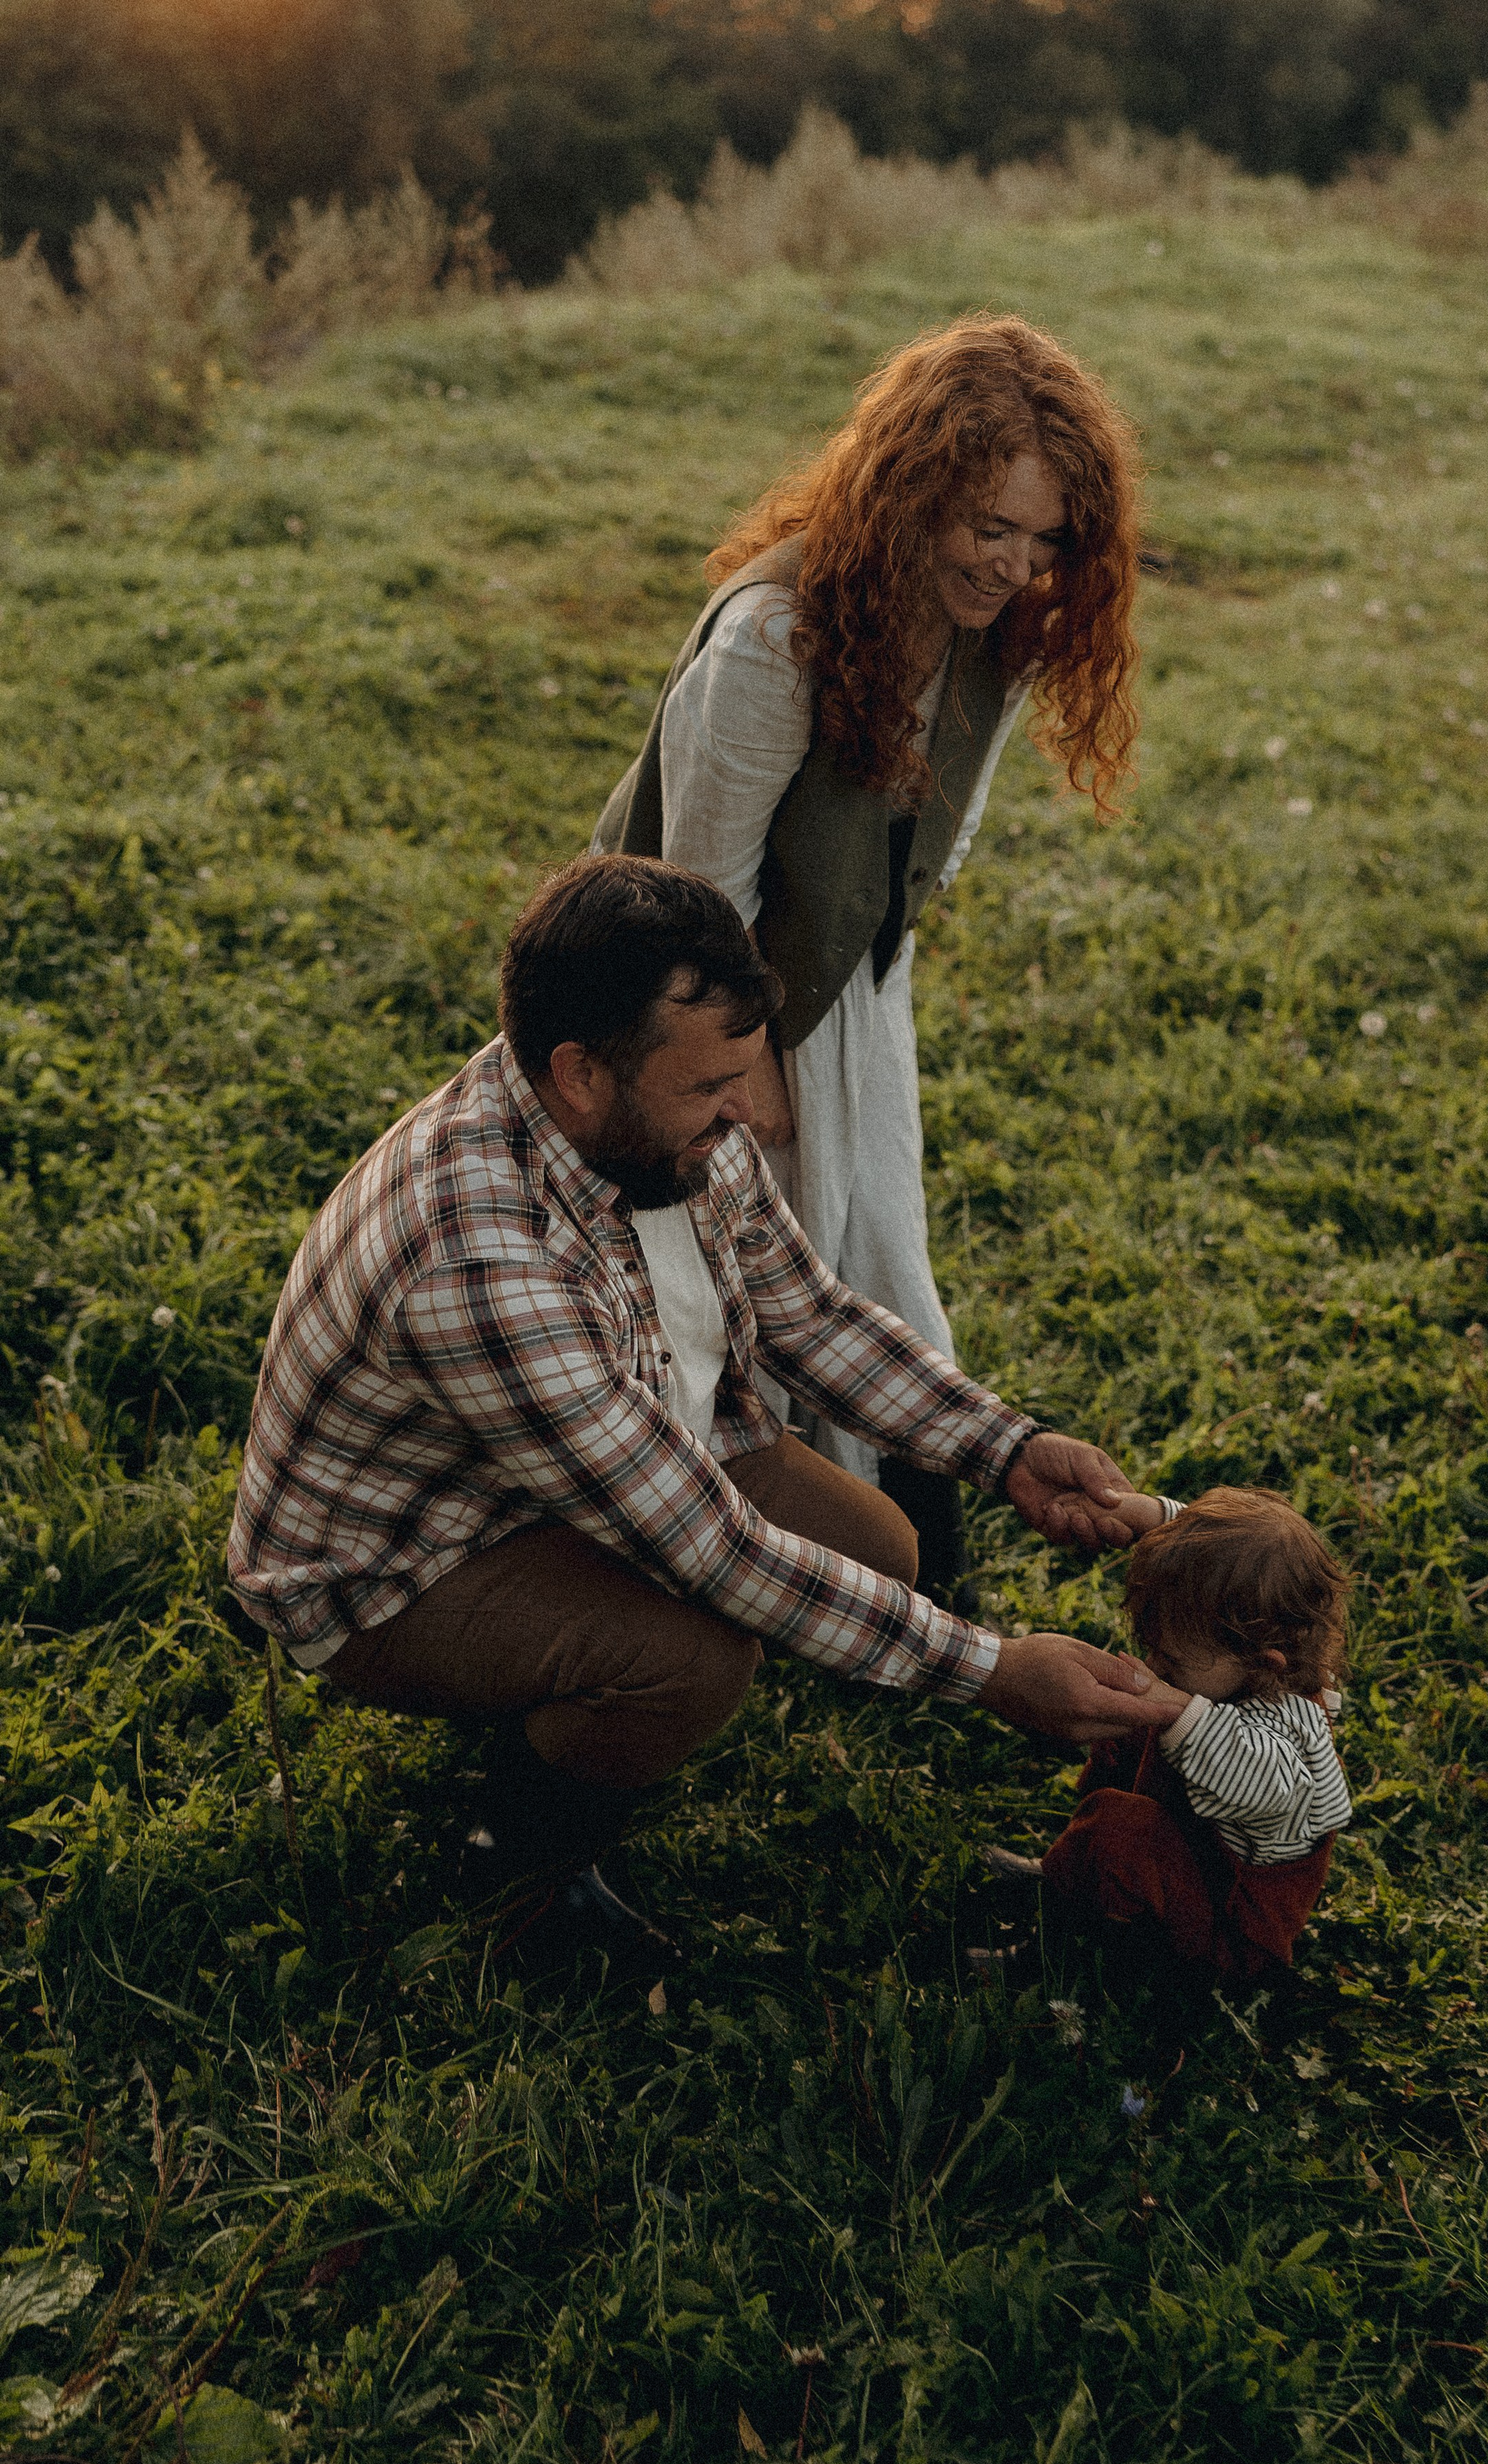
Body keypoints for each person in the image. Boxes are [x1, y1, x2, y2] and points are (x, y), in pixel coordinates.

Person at [228, 854, 1161, 1937]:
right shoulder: (474, 1255)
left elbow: (811, 1317)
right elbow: (713, 1552)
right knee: (695, 1655)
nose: (753, 1113)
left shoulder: (647, 1114)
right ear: (581, 1073)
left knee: (885, 1550)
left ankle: (569, 1694)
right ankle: (520, 1861)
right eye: (715, 1090)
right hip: (403, 1561)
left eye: (745, 1074)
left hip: (598, 1447)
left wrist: (1006, 1450)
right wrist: (993, 1671)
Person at [591, 311, 1142, 1600]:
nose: (1012, 564)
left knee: (878, 1253)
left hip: (846, 990)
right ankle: (777, 1560)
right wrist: (746, 1070)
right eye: (984, 527)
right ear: (910, 495)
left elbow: (932, 846)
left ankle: (911, 1569)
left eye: (1040, 537)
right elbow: (699, 894)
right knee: (747, 1281)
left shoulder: (997, 636)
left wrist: (850, 1005)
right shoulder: (775, 640)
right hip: (688, 1010)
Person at [990, 1488, 1353, 1988]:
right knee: (1132, 1738)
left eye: (1172, 1661)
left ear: (1262, 1663)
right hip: (1185, 1857)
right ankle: (1078, 1874)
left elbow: (1257, 1774)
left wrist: (1169, 1703)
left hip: (1227, 1932)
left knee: (1123, 1830)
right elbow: (1218, 1556)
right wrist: (1144, 1516)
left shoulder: (1286, 1740)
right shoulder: (1255, 1641)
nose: (1156, 1666)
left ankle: (1053, 1954)